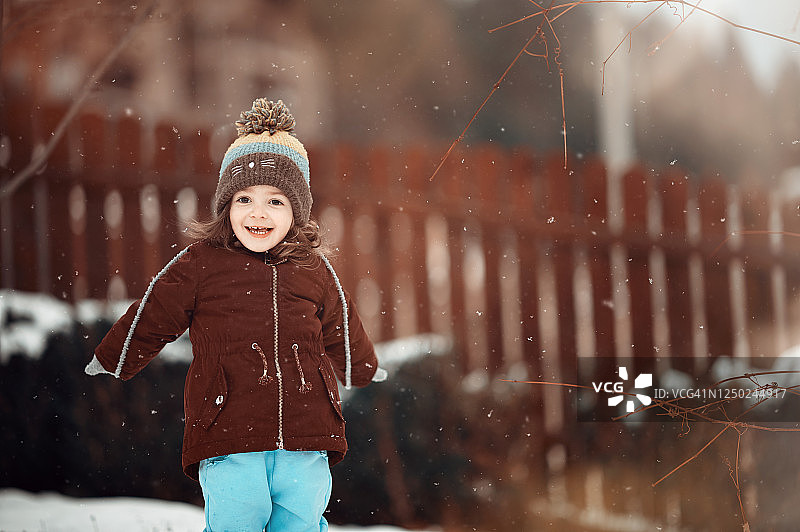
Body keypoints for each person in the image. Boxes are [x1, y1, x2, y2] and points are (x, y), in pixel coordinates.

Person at [85, 98, 386, 531]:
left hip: (308, 432)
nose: (257, 212)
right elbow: (156, 310)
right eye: (244, 198)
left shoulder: (314, 269)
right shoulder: (200, 265)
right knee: (236, 520)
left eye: (276, 201)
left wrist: (363, 368)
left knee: (301, 520)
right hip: (228, 427)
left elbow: (342, 325)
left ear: (297, 212)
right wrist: (116, 354)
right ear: (226, 206)